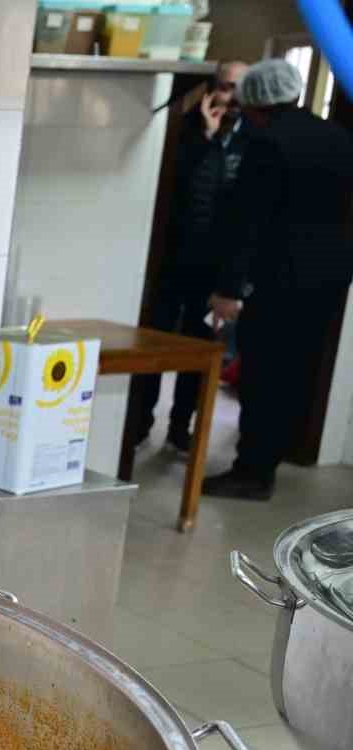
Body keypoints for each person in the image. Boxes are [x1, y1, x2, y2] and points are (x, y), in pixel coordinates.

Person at [205, 58, 353, 501]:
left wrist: (228, 289)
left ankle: (251, 471)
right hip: (328, 281)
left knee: (262, 375)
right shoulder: (339, 138)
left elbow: (247, 222)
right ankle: (270, 456)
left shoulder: (266, 144)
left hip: (278, 281)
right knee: (294, 373)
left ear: (256, 104)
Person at [130, 60, 250, 454]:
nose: (228, 97)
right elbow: (181, 189)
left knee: (198, 352)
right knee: (155, 342)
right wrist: (206, 138)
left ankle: (182, 425)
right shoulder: (185, 133)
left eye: (236, 89)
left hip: (214, 268)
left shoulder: (254, 141)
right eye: (223, 87)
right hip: (173, 258)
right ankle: (139, 420)